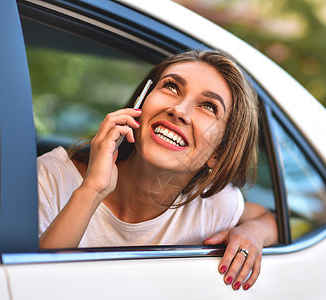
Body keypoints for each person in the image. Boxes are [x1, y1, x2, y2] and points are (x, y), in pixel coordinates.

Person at [37, 50, 278, 291]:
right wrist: (92, 190)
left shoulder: (214, 207)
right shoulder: (51, 177)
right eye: (171, 87)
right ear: (140, 103)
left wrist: (252, 233)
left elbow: (268, 219)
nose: (179, 110)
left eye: (208, 106)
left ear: (219, 154)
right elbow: (33, 285)